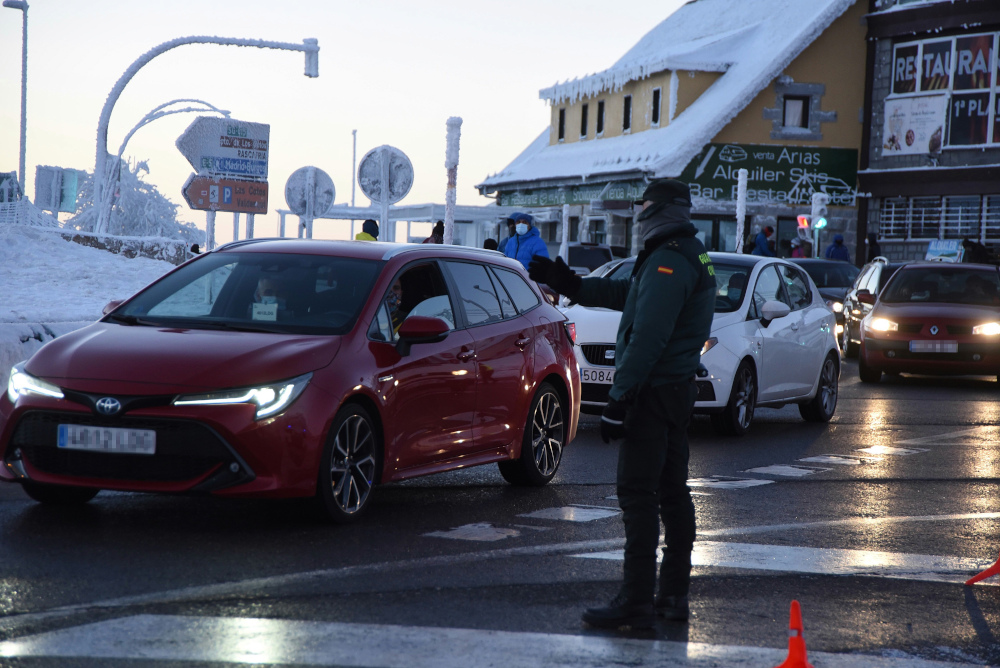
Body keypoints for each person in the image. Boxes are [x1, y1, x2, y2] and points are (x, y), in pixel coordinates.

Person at [528, 178, 715, 630]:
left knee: (639, 494)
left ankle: (637, 599)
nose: (638, 213)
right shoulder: (683, 253)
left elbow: (649, 335)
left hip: (654, 392)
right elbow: (628, 295)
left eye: (644, 205)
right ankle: (671, 596)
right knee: (672, 494)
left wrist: (618, 397)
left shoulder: (670, 259)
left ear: (660, 210)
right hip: (674, 390)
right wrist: (569, 282)